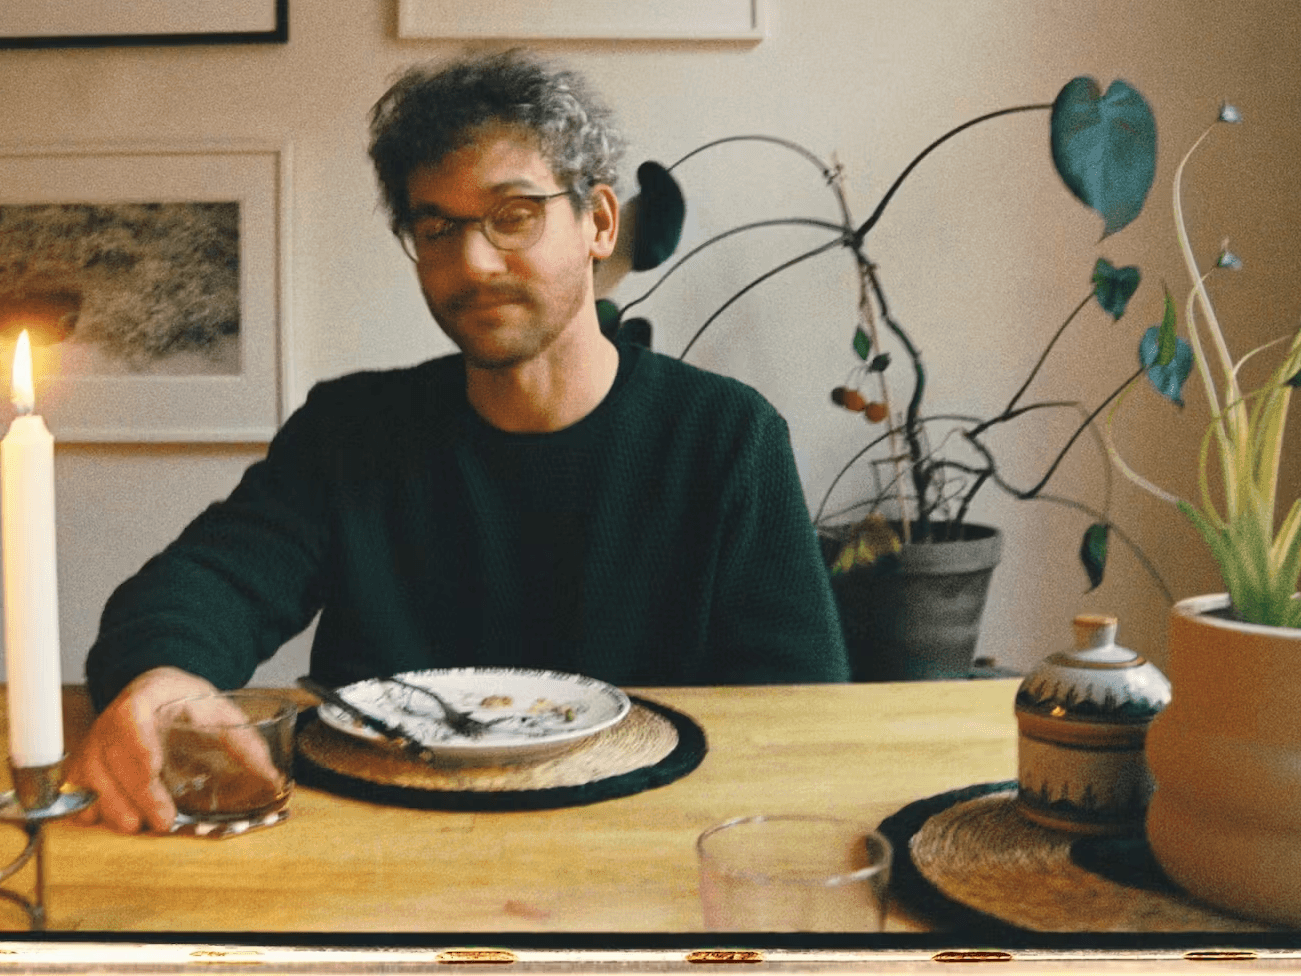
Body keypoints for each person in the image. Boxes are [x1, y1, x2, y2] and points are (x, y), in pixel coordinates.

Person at [73, 50, 847, 832]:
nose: (471, 263)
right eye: (435, 227)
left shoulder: (723, 437)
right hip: (374, 850)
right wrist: (161, 676)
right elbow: (209, 583)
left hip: (642, 845)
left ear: (600, 223)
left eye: (513, 215)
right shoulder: (352, 431)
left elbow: (794, 712)